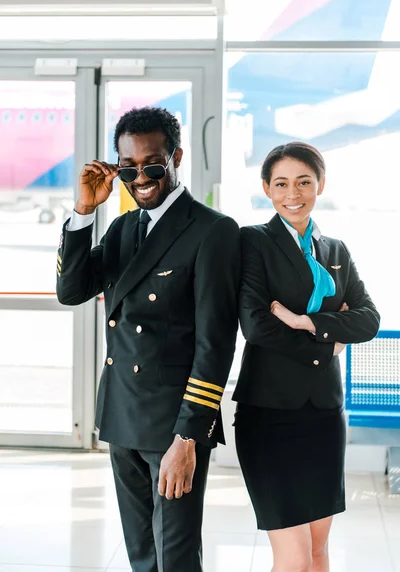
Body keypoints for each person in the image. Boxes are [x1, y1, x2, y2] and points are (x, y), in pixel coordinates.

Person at [56, 106, 240, 572]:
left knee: (175, 556)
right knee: (142, 554)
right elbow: (71, 290)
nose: (141, 177)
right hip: (122, 415)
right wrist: (82, 212)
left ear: (176, 157)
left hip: (172, 427)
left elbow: (215, 344)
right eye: (128, 168)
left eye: (153, 164)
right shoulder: (122, 228)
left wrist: (189, 437)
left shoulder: (213, 230)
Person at [233, 142, 380, 572]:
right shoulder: (253, 242)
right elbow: (257, 325)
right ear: (266, 188)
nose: (292, 193)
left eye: (303, 182)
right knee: (294, 559)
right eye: (281, 183)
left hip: (323, 416)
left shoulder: (334, 250)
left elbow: (369, 319)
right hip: (269, 414)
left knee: (318, 553)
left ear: (320, 185)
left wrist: (306, 323)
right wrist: (331, 342)